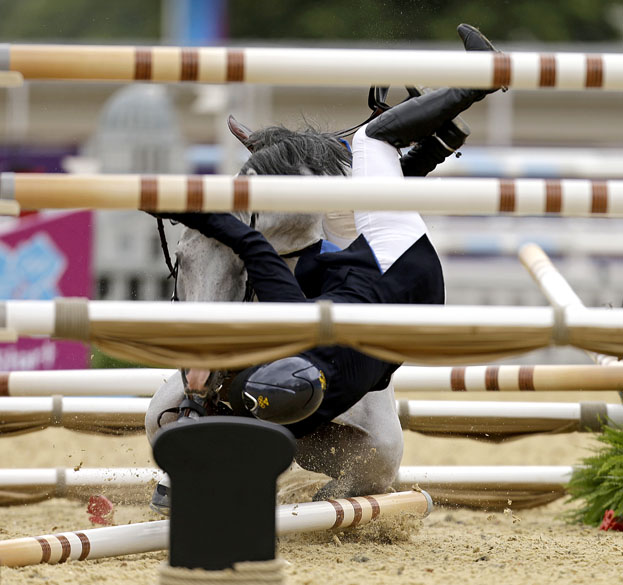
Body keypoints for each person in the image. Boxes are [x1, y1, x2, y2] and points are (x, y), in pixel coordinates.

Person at [148, 23, 502, 509]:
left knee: (341, 216)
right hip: (393, 266)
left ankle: (432, 148)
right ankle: (479, 80)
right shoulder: (297, 321)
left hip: (405, 308)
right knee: (372, 143)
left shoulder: (318, 401)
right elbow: (246, 239)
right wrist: (180, 207)